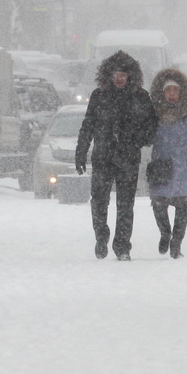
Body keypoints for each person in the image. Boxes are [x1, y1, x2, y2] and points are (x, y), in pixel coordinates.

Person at [75, 50, 158, 261]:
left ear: (130, 76)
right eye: (116, 74)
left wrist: (136, 141)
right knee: (98, 201)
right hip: (102, 157)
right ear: (109, 75)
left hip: (128, 158)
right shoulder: (99, 96)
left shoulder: (141, 97)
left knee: (125, 205)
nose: (120, 78)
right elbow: (88, 125)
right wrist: (81, 151)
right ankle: (101, 236)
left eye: (123, 74)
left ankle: (122, 247)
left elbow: (151, 127)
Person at [148, 69, 187, 259]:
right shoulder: (154, 114)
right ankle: (165, 232)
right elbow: (145, 136)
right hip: (161, 166)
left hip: (185, 167)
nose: (172, 94)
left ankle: (176, 242)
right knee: (158, 203)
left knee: (182, 206)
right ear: (162, 93)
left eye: (175, 90)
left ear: (182, 92)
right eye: (168, 90)